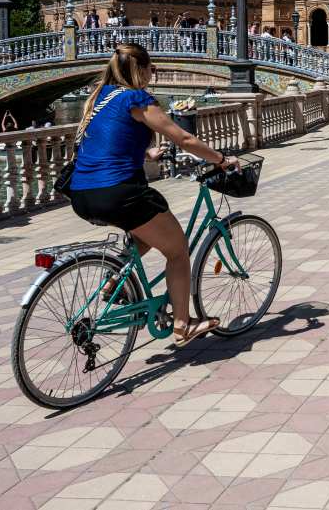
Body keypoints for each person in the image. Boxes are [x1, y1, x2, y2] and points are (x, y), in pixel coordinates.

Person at [69, 43, 239, 347]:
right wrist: (221, 159)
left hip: (82, 193)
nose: (153, 74)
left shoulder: (100, 97)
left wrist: (147, 153)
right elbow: (184, 138)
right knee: (177, 250)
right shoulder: (137, 98)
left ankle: (112, 283)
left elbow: (107, 142)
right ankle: (183, 325)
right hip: (118, 192)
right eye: (152, 69)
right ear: (142, 70)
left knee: (146, 233)